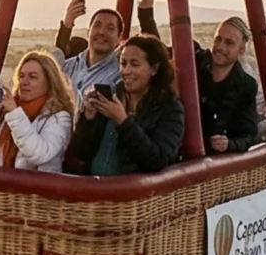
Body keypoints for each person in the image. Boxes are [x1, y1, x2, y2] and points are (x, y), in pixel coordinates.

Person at [68, 35, 185, 176]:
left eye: (134, 64)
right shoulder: (108, 97)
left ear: (154, 69)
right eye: (123, 63)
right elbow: (81, 152)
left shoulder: (170, 109)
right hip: (94, 189)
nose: (126, 71)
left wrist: (123, 122)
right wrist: (87, 119)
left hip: (134, 193)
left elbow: (158, 161)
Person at [0, 50, 75, 171]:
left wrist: (14, 113)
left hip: (38, 188)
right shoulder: (7, 109)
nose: (24, 82)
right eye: (21, 76)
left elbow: (40, 154)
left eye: (32, 77)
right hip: (2, 186)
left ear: (50, 82)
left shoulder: (59, 117)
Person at [194, 18, 265, 154]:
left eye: (229, 43)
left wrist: (229, 144)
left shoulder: (246, 85)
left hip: (212, 161)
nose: (220, 47)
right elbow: (155, 53)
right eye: (218, 39)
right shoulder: (195, 61)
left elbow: (247, 135)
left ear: (241, 50)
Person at [54, 0, 128, 96]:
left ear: (119, 38)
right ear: (88, 32)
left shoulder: (120, 75)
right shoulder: (67, 67)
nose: (101, 32)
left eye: (110, 28)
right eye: (97, 26)